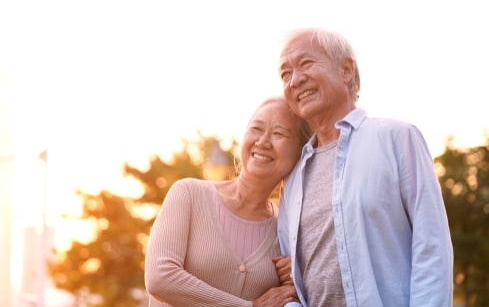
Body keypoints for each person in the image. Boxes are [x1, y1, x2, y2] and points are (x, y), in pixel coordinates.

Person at [276, 27, 454, 307]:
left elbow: (432, 250)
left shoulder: (398, 138)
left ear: (346, 70)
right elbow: (292, 280)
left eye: (306, 64)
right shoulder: (293, 177)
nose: (295, 80)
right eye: (285, 74)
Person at [145, 96, 311, 306]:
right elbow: (160, 279)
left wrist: (297, 280)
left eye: (278, 133)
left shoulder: (287, 233)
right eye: (256, 129)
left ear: (299, 151)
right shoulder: (188, 194)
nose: (262, 142)